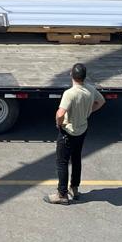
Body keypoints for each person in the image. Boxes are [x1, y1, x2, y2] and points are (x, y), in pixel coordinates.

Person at [47, 62, 104, 204]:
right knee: (76, 159)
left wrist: (59, 124)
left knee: (62, 162)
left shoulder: (70, 93)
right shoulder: (91, 89)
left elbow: (60, 114)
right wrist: (89, 111)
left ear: (71, 75)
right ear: (84, 77)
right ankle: (75, 188)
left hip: (68, 132)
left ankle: (62, 195)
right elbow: (101, 101)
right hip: (82, 130)